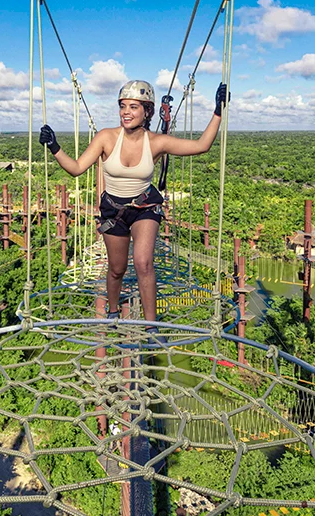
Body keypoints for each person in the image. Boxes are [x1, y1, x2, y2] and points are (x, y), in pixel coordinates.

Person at [39, 80, 228, 342]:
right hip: (113, 210)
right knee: (117, 269)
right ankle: (113, 311)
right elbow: (77, 168)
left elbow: (201, 146)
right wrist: (54, 147)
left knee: (143, 263)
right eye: (122, 106)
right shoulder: (106, 137)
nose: (126, 112)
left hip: (144, 207)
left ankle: (151, 327)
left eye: (134, 107)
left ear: (147, 112)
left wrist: (218, 110)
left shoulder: (157, 142)